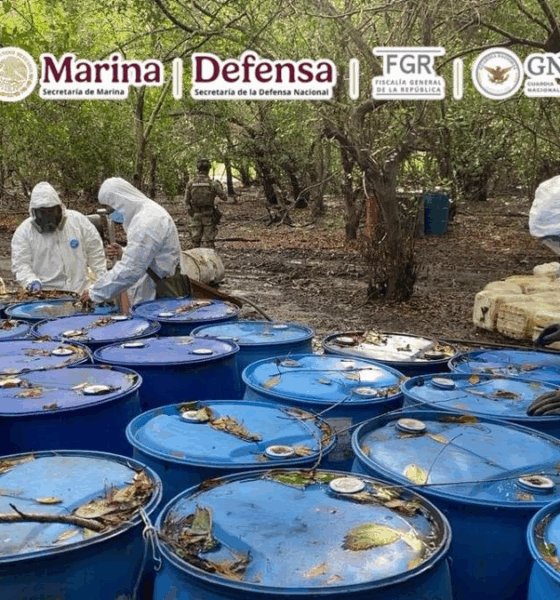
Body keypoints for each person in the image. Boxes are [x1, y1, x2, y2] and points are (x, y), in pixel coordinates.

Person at [80, 177, 184, 306]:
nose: (111, 214)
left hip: (159, 294)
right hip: (153, 290)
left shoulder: (147, 220)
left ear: (121, 201)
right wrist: (124, 252)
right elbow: (148, 253)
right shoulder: (146, 213)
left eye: (111, 209)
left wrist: (95, 293)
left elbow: (131, 268)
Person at [11, 181, 107, 294]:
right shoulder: (24, 232)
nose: (48, 217)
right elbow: (21, 264)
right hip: (45, 294)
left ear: (59, 209)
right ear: (34, 212)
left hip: (80, 291)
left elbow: (95, 253)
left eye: (51, 211)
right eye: (42, 213)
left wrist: (101, 282)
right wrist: (31, 281)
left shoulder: (78, 221)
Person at [185, 158, 228, 248]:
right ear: (208, 169)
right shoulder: (213, 183)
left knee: (195, 241)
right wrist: (220, 186)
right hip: (209, 214)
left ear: (198, 168)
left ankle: (195, 256)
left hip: (195, 214)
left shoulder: (191, 183)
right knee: (209, 241)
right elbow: (224, 198)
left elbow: (186, 201)